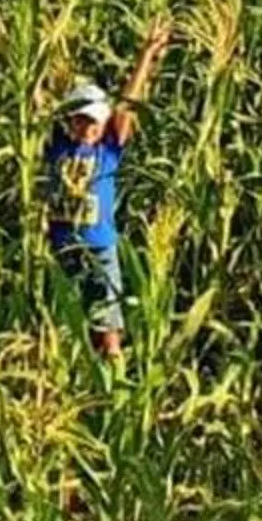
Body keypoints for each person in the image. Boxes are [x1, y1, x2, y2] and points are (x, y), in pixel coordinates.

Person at [43, 19, 171, 356]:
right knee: (65, 329)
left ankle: (115, 391)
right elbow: (34, 99)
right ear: (69, 121)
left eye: (93, 120)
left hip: (100, 248)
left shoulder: (108, 150)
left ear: (104, 123)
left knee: (108, 330)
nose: (87, 126)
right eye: (80, 119)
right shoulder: (56, 147)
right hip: (63, 249)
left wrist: (146, 56)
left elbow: (129, 103)